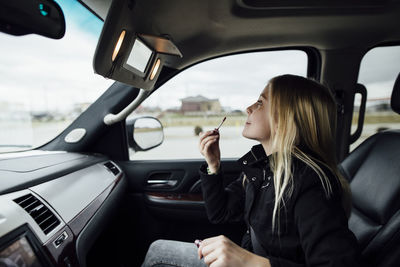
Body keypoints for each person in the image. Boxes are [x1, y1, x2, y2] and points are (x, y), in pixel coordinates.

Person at [141, 74, 362, 267]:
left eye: (260, 103)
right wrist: (213, 165)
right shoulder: (263, 168)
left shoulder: (310, 183)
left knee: (160, 254)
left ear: (285, 117)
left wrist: (249, 262)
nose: (249, 108)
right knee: (158, 249)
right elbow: (221, 213)